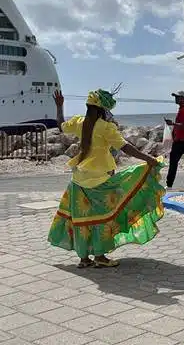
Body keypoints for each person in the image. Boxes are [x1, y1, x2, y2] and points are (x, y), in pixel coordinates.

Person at [48, 88, 164, 268]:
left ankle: (84, 258)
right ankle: (100, 257)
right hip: (100, 180)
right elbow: (125, 147)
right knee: (103, 217)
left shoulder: (79, 122)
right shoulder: (105, 127)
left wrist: (59, 106)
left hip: (79, 179)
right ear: (103, 109)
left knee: (82, 218)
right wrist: (149, 159)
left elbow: (60, 125)